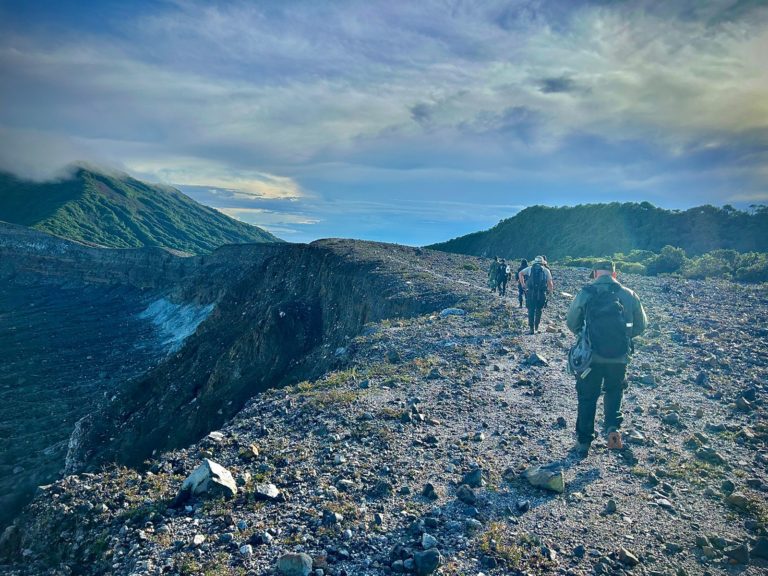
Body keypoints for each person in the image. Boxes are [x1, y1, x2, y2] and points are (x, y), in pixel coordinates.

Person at [566, 260, 647, 457]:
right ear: (614, 274)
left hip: (590, 358)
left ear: (595, 274)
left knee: (587, 397)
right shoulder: (628, 294)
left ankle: (584, 442)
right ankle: (613, 430)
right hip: (619, 358)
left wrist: (585, 336)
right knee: (614, 392)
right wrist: (623, 337)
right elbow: (642, 325)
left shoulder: (585, 293)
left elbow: (571, 322)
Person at [518, 255, 553, 334]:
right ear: (543, 263)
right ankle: (536, 327)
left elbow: (520, 273)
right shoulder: (546, 270)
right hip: (541, 293)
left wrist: (523, 284)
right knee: (539, 310)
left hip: (530, 293)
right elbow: (550, 283)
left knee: (531, 310)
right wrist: (550, 292)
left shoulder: (530, 268)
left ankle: (531, 329)